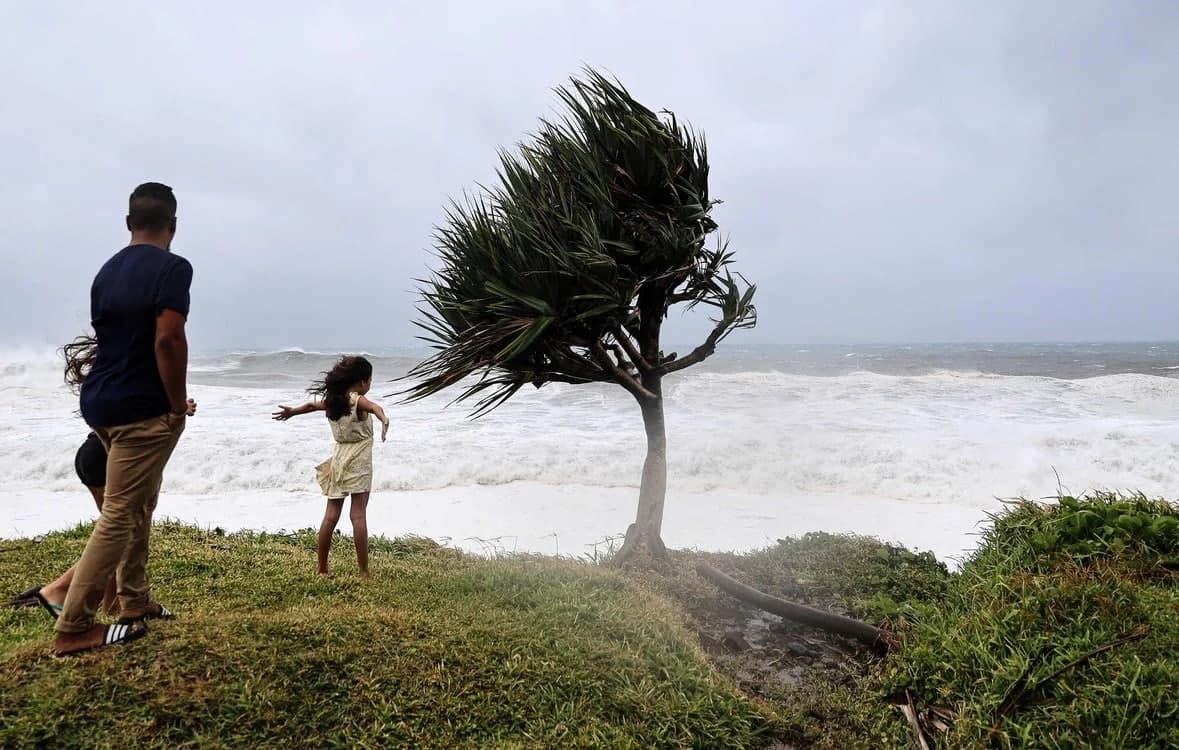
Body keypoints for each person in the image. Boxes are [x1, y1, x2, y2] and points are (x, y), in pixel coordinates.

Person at [50, 182, 194, 656]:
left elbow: (113, 340)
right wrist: (176, 404)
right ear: (172, 225)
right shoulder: (173, 268)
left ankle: (134, 602)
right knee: (120, 514)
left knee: (138, 503)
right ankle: (73, 626)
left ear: (128, 223)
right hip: (141, 408)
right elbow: (168, 339)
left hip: (102, 402)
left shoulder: (106, 271)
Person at [6, 337, 196, 617]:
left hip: (93, 455)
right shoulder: (144, 370)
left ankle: (112, 605)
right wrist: (177, 407)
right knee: (121, 534)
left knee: (121, 533)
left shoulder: (118, 372)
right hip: (100, 460)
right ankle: (56, 592)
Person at [272, 355, 389, 578]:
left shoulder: (334, 401)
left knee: (330, 515)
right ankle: (363, 572)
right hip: (359, 462)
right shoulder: (357, 400)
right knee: (358, 515)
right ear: (363, 381)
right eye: (370, 380)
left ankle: (322, 569)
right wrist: (384, 421)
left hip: (338, 459)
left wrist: (292, 412)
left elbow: (309, 405)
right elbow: (375, 407)